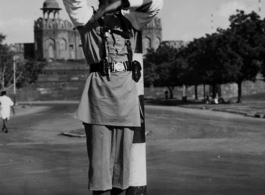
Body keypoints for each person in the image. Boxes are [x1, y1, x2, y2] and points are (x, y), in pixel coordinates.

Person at [62, 0, 163, 195]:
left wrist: (123, 3)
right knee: (100, 174)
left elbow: (156, 3)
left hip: (126, 99)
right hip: (100, 98)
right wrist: (104, 10)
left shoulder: (130, 19)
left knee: (121, 174)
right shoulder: (86, 15)